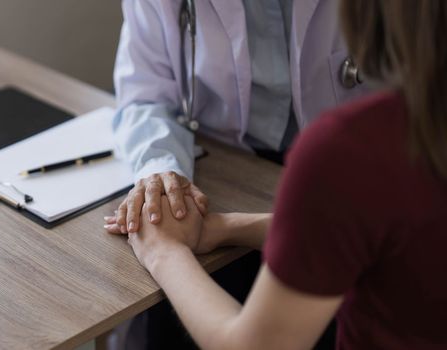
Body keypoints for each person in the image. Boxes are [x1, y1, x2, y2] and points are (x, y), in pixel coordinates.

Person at [106, 0, 447, 348]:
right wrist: (224, 226)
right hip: (240, 181)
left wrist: (163, 252)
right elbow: (367, 223)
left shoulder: (344, 154)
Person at [109, 0, 370, 233]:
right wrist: (161, 166)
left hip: (358, 171)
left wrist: (178, 250)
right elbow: (145, 95)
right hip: (231, 165)